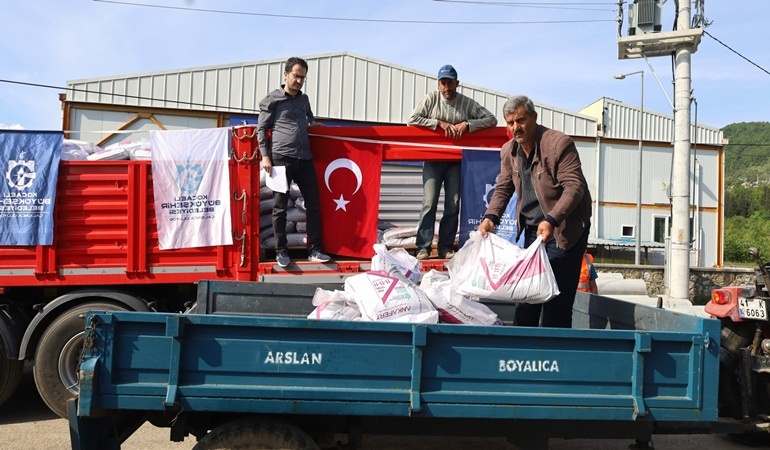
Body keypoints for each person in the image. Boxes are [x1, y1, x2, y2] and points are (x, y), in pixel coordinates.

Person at [478, 95, 592, 328]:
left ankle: (553, 358)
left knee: (554, 300)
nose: (515, 128)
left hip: (564, 231)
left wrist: (552, 219)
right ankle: (522, 355)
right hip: (533, 231)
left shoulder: (558, 144)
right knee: (527, 296)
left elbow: (574, 187)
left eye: (520, 120)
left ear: (534, 117)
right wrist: (491, 217)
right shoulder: (509, 151)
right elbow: (503, 187)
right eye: (510, 123)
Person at [408, 64, 497, 261]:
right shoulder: (431, 99)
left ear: (457, 83)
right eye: (444, 83)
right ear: (439, 84)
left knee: (453, 205)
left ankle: (445, 247)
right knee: (429, 203)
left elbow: (491, 119)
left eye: (451, 83)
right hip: (433, 160)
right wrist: (439, 123)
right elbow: (412, 119)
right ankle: (423, 246)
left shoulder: (466, 103)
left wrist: (467, 124)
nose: (447, 88)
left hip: (456, 162)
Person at [257, 56, 331, 268]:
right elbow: (260, 129)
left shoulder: (304, 100)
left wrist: (316, 126)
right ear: (286, 74)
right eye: (296, 76)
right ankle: (281, 251)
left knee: (314, 205)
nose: (299, 81)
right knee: (279, 208)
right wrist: (265, 156)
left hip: (305, 159)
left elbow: (309, 119)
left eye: (303, 78)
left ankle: (314, 249)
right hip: (280, 159)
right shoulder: (272, 99)